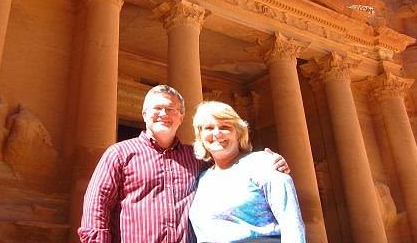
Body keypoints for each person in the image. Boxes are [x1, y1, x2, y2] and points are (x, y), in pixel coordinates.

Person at [78, 85, 289, 243]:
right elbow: (97, 204)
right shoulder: (120, 153)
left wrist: (266, 162)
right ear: (144, 114)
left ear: (181, 116)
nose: (163, 114)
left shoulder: (196, 157)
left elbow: (229, 166)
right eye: (157, 108)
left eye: (170, 109)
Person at [189, 101, 306, 243]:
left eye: (225, 127)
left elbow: (291, 223)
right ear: (200, 136)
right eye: (209, 128)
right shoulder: (203, 178)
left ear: (238, 133)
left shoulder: (262, 163)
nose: (217, 133)